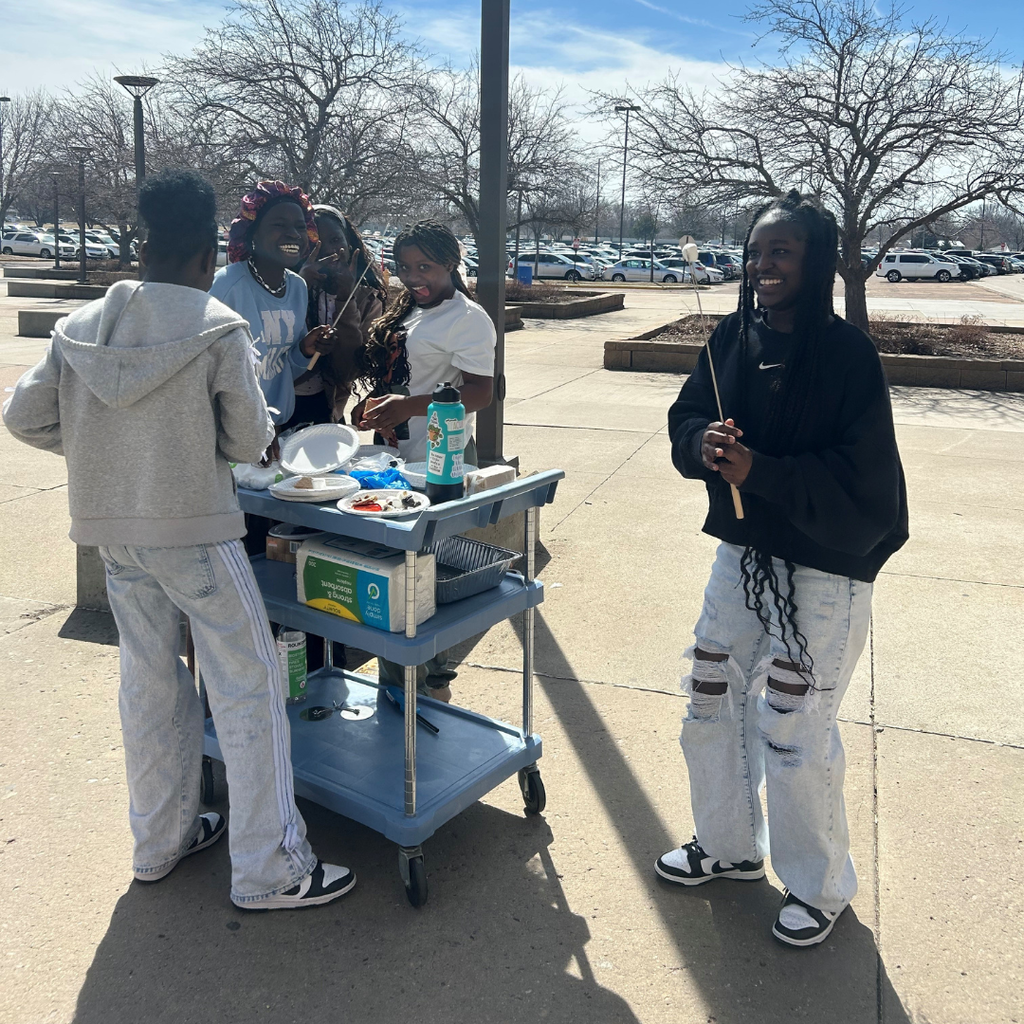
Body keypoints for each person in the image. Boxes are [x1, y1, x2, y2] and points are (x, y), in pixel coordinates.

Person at [2, 169, 357, 910]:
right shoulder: (214, 329)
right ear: (207, 256)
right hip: (196, 532)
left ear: (142, 243)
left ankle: (159, 841)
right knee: (249, 686)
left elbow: (25, 418)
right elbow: (249, 436)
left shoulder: (80, 328)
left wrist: (115, 454)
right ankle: (271, 868)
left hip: (113, 536)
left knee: (150, 686)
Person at [660, 191, 908, 947]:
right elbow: (686, 415)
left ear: (817, 262)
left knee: (791, 725)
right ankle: (729, 846)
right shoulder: (732, 335)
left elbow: (861, 480)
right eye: (756, 251)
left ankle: (819, 885)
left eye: (781, 252)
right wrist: (704, 444)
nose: (762, 265)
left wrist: (761, 470)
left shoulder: (846, 355)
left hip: (824, 565)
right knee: (708, 689)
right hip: (743, 553)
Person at [355, 221, 496, 703]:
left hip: (436, 461)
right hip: (393, 453)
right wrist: (377, 405)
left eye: (427, 267)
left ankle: (426, 687)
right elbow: (403, 374)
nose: (415, 277)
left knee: (416, 576)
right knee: (396, 573)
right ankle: (405, 686)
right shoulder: (410, 308)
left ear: (451, 265)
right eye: (406, 267)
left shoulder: (468, 317)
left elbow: (480, 393)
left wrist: (407, 407)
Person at [211, 180, 334, 433]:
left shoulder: (298, 287)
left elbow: (283, 369)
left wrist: (304, 349)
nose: (293, 234)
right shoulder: (227, 285)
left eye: (300, 227)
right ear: (252, 232)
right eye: (279, 225)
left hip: (276, 430)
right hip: (232, 433)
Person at [300, 204, 387, 425]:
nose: (329, 250)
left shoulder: (368, 299)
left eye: (336, 240)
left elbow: (349, 371)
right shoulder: (290, 285)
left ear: (349, 243)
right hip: (281, 413)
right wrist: (299, 286)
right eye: (316, 243)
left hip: (329, 415)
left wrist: (345, 300)